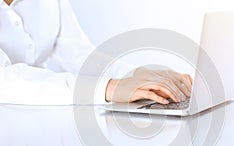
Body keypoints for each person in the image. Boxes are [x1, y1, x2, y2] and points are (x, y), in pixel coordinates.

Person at [0, 0, 192, 106]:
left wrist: (134, 75)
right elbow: (5, 81)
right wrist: (108, 88)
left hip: (40, 123)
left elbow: (74, 51)